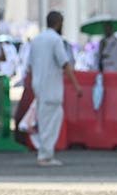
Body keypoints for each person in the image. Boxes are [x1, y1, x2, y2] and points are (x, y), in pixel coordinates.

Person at [27, 11, 83, 167]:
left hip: (38, 86)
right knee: (51, 121)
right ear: (58, 23)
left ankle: (44, 153)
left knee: (44, 120)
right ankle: (45, 155)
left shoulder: (36, 40)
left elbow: (29, 66)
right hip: (51, 88)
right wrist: (77, 86)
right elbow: (65, 64)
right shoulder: (56, 40)